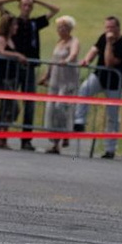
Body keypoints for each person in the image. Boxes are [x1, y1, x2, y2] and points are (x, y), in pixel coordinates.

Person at [0, 0, 60, 151]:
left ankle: (26, 140)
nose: (27, 7)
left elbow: (55, 10)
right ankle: (0, 136)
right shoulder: (12, 20)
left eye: (30, 5)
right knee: (8, 103)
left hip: (29, 68)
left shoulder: (34, 23)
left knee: (29, 104)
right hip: (13, 68)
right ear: (19, 6)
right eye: (24, 4)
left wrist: (37, 0)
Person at [73, 16, 122, 159]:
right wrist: (87, 60)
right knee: (84, 88)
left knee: (112, 116)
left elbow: (109, 63)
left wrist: (109, 44)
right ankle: (79, 121)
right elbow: (94, 50)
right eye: (107, 28)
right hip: (99, 77)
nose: (108, 31)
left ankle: (110, 149)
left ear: (118, 28)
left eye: (111, 27)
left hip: (114, 83)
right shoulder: (102, 37)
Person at [38, 15, 80, 154]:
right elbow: (52, 60)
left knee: (62, 108)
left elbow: (74, 54)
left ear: (69, 29)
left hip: (67, 81)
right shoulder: (59, 42)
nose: (61, 30)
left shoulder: (74, 41)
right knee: (52, 109)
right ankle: (55, 142)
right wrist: (46, 76)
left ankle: (65, 135)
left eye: (64, 27)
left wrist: (67, 60)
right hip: (55, 81)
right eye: (59, 27)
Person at [0, 14, 28, 149]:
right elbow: (0, 51)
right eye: (14, 25)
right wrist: (17, 55)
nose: (16, 27)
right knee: (7, 107)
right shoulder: (2, 39)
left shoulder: (12, 40)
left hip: (11, 78)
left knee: (10, 109)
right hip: (3, 78)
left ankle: (2, 136)